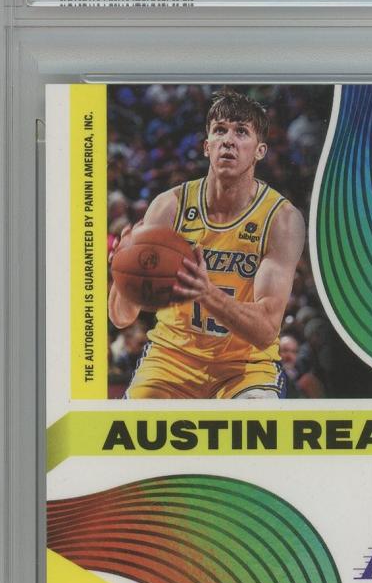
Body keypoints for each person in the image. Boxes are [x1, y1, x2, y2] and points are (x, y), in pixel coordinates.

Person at [109, 88, 305, 399]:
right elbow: (121, 317)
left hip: (245, 368)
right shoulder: (169, 206)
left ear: (260, 151)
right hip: (171, 359)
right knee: (134, 424)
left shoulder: (281, 219)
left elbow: (266, 330)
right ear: (206, 146)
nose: (229, 140)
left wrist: (207, 294)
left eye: (241, 132)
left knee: (256, 420)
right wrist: (124, 272)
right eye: (220, 130)